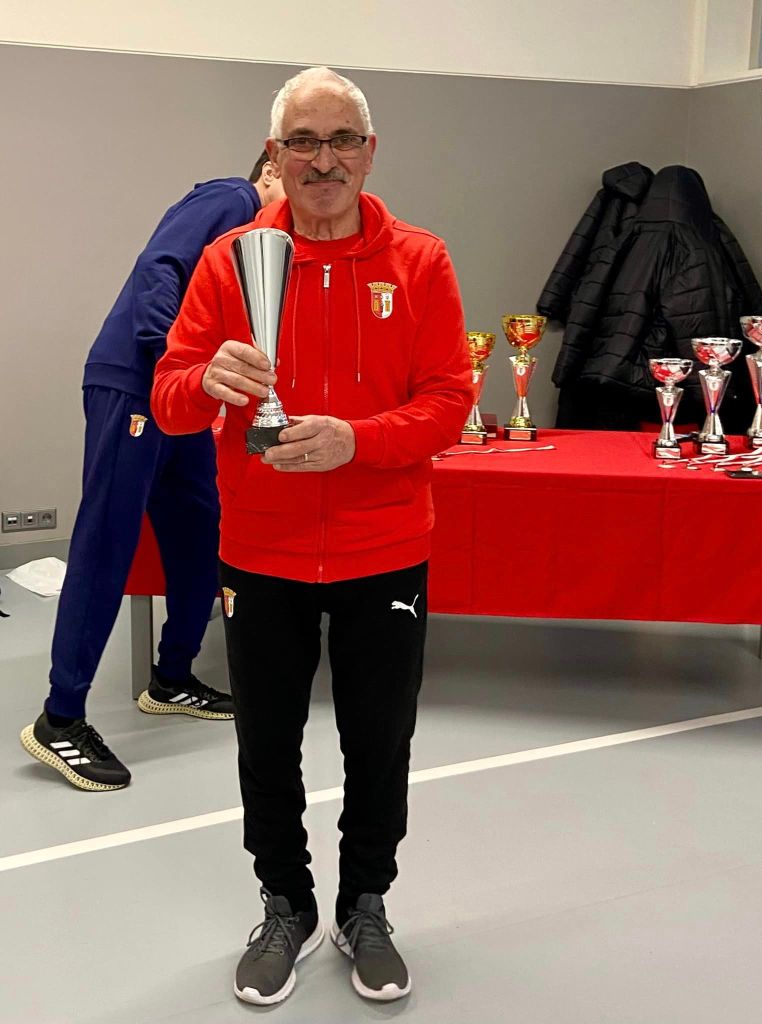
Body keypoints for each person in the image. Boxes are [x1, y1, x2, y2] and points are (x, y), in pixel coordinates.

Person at [151, 66, 473, 1005]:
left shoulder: (420, 261)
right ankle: (285, 904)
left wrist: (355, 441)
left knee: (380, 739)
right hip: (261, 550)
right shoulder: (229, 262)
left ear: (369, 153)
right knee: (266, 742)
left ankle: (365, 903)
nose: (322, 160)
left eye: (340, 141)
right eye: (303, 142)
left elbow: (449, 402)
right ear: (276, 154)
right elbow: (170, 400)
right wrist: (205, 379)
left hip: (385, 548)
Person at [20, 153, 285, 793]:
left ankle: (172, 678)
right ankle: (60, 718)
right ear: (270, 167)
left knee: (200, 534)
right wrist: (173, 361)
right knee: (107, 542)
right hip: (138, 385)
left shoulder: (264, 239)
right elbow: (158, 267)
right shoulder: (232, 198)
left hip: (184, 401)